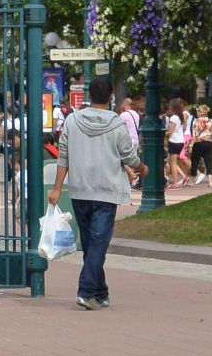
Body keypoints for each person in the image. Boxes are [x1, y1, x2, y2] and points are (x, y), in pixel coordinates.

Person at [49, 78, 146, 310]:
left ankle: (100, 292)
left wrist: (57, 188)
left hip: (80, 190)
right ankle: (85, 291)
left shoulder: (72, 121)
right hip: (106, 191)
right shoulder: (116, 124)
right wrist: (141, 167)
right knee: (98, 244)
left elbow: (63, 155)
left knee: (91, 243)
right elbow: (128, 156)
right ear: (111, 95)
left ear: (88, 95)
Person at [164, 99, 192, 189]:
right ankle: (183, 176)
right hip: (180, 141)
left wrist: (164, 133)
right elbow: (183, 128)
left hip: (174, 141)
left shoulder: (173, 118)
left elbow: (170, 132)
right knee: (175, 162)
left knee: (173, 163)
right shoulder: (181, 117)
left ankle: (175, 183)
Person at [190, 104, 212, 187]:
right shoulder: (211, 121)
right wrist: (209, 136)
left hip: (198, 143)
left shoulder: (196, 121)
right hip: (208, 143)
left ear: (201, 112)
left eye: (198, 111)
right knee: (208, 162)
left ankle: (192, 181)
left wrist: (191, 145)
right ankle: (210, 181)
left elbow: (194, 134)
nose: (197, 113)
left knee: (194, 162)